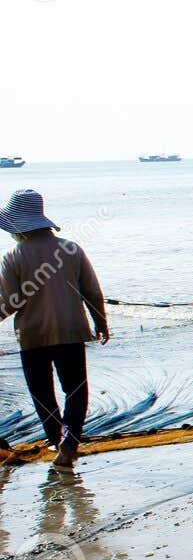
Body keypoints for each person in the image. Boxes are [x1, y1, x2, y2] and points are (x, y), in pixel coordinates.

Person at [0, 190, 109, 468]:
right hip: (71, 331)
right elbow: (92, 291)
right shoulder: (71, 249)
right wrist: (100, 322)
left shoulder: (13, 256)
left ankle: (56, 440)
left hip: (33, 335)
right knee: (75, 389)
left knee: (42, 393)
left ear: (17, 226)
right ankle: (70, 444)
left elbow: (10, 302)